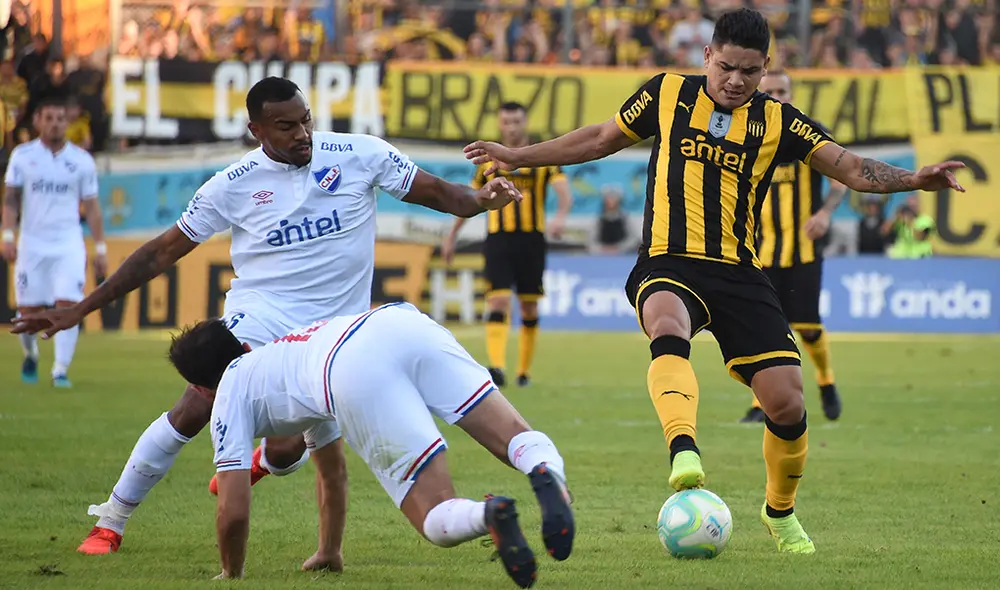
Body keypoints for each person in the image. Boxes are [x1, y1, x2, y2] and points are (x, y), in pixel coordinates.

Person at [463, 7, 964, 554]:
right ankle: (684, 451)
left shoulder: (779, 120)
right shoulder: (667, 94)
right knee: (664, 318)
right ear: (707, 55)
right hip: (668, 258)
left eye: (749, 71)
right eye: (726, 67)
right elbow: (599, 139)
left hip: (739, 271)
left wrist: (914, 178)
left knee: (788, 404)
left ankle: (780, 512)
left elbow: (848, 167)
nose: (735, 81)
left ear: (765, 66)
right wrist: (518, 156)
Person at [11, 77, 523, 557]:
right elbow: (160, 253)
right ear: (256, 130)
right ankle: (112, 519)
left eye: (306, 120)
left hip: (337, 336)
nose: (302, 134)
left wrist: (481, 200)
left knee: (285, 453)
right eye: (287, 126)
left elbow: (439, 193)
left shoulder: (360, 154)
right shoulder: (232, 184)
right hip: (261, 320)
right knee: (195, 404)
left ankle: (270, 469)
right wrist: (81, 307)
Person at [167, 302, 574, 587]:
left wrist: (230, 574)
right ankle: (545, 473)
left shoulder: (228, 394)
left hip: (348, 368)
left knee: (434, 515)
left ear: (202, 388)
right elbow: (330, 471)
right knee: (513, 435)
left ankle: (491, 513)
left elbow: (233, 508)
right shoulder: (285, 353)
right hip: (397, 322)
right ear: (243, 347)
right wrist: (329, 552)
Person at [739, 70, 847, 424]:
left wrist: (825, 213)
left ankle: (827, 381)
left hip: (802, 250)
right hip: (758, 252)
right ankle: (761, 404)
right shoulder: (745, 131)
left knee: (808, 326)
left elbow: (841, 179)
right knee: (763, 329)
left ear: (791, 93)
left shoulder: (808, 133)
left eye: (781, 91)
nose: (776, 96)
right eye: (769, 91)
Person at [441, 102, 573, 388]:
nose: (511, 127)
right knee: (498, 300)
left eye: (516, 121)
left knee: (528, 308)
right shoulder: (488, 162)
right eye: (506, 122)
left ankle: (524, 371)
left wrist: (561, 217)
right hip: (498, 239)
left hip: (532, 240)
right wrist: (451, 237)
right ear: (499, 125)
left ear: (524, 123)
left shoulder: (541, 157)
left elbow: (564, 192)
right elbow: (471, 201)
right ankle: (497, 367)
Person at [1, 97, 107, 387]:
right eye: (49, 118)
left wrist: (100, 247)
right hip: (32, 243)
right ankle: (31, 353)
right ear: (38, 121)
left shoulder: (82, 161)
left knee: (69, 305)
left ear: (67, 122)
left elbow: (93, 208)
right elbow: (10, 199)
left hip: (68, 244)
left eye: (60, 118)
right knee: (28, 311)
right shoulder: (23, 156)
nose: (55, 123)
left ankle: (60, 369)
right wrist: (7, 234)